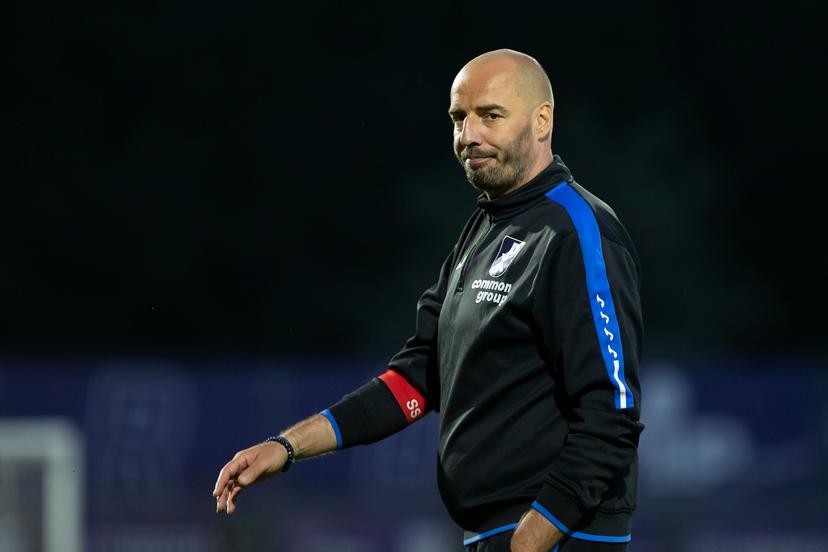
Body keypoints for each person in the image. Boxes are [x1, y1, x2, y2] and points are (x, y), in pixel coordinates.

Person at [213, 49, 644, 552]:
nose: (469, 136)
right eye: (459, 118)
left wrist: (532, 538)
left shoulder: (576, 230)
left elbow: (613, 410)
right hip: (497, 534)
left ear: (542, 119)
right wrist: (286, 448)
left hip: (560, 536)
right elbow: (417, 378)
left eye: (490, 115)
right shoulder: (484, 229)